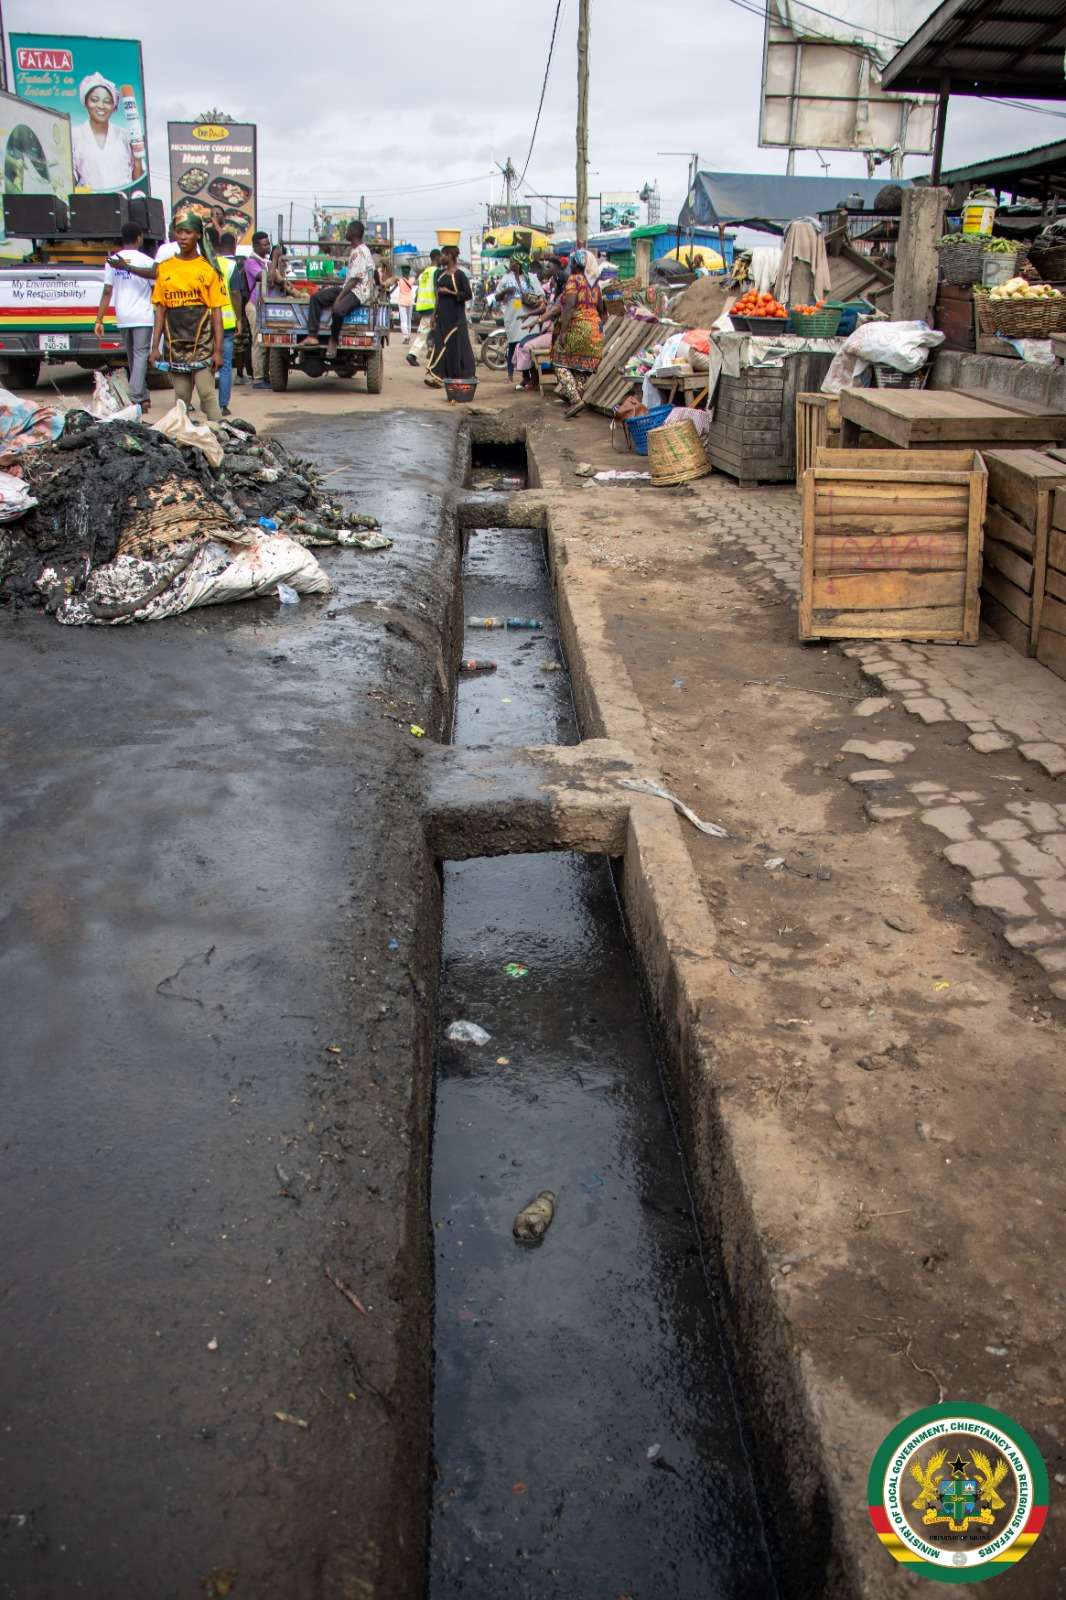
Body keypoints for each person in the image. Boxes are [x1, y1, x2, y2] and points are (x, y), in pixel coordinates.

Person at [150, 212, 224, 420]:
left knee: (207, 394)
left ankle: (220, 440)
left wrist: (218, 350)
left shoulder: (208, 270)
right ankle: (182, 442)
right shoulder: (165, 269)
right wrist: (154, 347)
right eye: (179, 232)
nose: (182, 237)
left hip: (202, 343)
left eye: (188, 232)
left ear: (198, 235)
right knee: (181, 397)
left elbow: (216, 313)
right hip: (175, 344)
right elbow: (160, 312)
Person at [95, 221, 155, 412]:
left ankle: (143, 397)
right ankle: (136, 395)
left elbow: (107, 290)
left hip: (123, 316)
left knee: (133, 357)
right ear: (140, 238)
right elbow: (155, 286)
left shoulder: (113, 261)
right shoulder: (146, 260)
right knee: (139, 356)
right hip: (143, 316)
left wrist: (99, 318)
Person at [304, 221, 376, 360]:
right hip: (348, 287)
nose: (346, 233)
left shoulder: (360, 252)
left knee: (338, 310)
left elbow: (354, 280)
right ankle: (312, 336)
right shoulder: (357, 250)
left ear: (353, 233)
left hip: (358, 291)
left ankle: (334, 339)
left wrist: (338, 299)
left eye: (348, 230)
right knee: (316, 298)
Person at [550, 249, 605, 413]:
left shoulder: (574, 280)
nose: (570, 266)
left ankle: (574, 400)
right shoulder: (595, 284)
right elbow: (602, 309)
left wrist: (564, 331)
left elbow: (569, 305)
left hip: (578, 327)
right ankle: (577, 398)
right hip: (594, 331)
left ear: (577, 264)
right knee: (583, 368)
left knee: (558, 362)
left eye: (572, 262)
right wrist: (598, 328)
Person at [72, 75, 142, 190]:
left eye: (107, 101)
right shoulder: (74, 135)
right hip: (88, 204)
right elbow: (68, 180)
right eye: (94, 100)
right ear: (85, 103)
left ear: (114, 107)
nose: (100, 106)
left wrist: (138, 160)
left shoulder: (125, 136)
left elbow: (137, 183)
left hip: (122, 203)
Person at [425, 245, 474, 394]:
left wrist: (451, 292)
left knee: (455, 347)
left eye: (443, 255)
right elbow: (438, 296)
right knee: (439, 345)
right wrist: (433, 315)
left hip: (455, 318)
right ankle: (438, 377)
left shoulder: (460, 275)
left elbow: (467, 295)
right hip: (442, 317)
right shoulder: (439, 274)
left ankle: (456, 377)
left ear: (450, 256)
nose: (441, 258)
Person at [493, 252, 544, 382]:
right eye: (511, 262)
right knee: (512, 345)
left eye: (514, 262)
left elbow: (541, 296)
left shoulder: (531, 278)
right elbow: (497, 297)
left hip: (529, 318)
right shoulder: (506, 278)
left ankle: (527, 376)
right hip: (512, 317)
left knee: (526, 346)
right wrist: (505, 291)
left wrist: (534, 300)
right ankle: (510, 375)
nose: (511, 264)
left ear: (520, 264)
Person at [215, 231, 240, 415]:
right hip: (227, 323)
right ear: (233, 246)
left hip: (207, 322)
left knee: (204, 364)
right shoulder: (232, 266)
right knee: (225, 366)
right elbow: (236, 294)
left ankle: (201, 402)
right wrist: (239, 318)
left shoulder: (208, 263)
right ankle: (223, 405)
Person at [242, 231, 271, 389]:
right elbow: (264, 277)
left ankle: (264, 376)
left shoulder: (265, 261)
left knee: (265, 342)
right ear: (255, 246)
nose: (268, 247)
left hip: (264, 306)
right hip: (254, 306)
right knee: (258, 341)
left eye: (268, 243)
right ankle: (258, 378)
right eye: (264, 244)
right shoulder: (252, 262)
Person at [408, 249, 440, 365]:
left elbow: (419, 291)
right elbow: (437, 290)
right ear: (437, 258)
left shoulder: (424, 272)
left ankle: (432, 351)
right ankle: (412, 354)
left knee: (430, 331)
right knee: (425, 332)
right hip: (432, 306)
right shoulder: (436, 272)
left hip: (423, 305)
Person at [394, 263, 414, 342]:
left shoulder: (400, 280)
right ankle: (408, 335)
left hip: (402, 301)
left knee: (403, 320)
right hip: (410, 301)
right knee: (409, 320)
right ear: (409, 272)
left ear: (402, 272)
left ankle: (406, 337)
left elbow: (396, 283)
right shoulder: (412, 279)